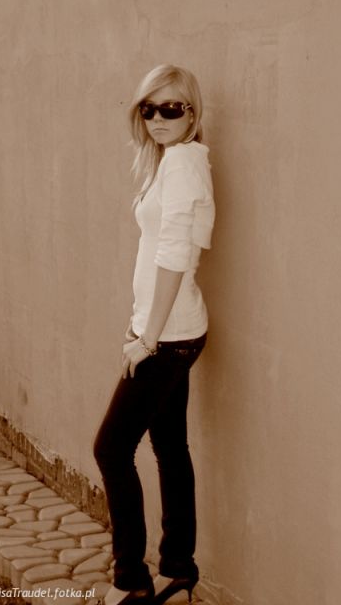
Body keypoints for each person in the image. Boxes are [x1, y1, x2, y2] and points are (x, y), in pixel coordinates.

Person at [93, 64, 215, 605]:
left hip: (168, 337)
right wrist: (140, 322)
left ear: (192, 112)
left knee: (111, 448)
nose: (159, 118)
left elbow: (174, 257)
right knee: (169, 447)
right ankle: (178, 572)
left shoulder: (184, 163)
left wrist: (147, 340)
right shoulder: (171, 161)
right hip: (169, 328)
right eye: (149, 108)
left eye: (171, 108)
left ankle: (131, 581)